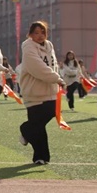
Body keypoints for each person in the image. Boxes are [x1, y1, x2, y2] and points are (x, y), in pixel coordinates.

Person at [18, 21, 65, 165]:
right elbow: (37, 68)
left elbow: (53, 65)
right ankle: (40, 157)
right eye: (36, 33)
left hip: (50, 90)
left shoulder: (49, 46)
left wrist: (56, 80)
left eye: (42, 32)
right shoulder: (28, 47)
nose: (40, 36)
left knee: (45, 117)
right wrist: (56, 78)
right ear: (30, 34)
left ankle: (27, 130)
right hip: (34, 92)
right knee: (38, 126)